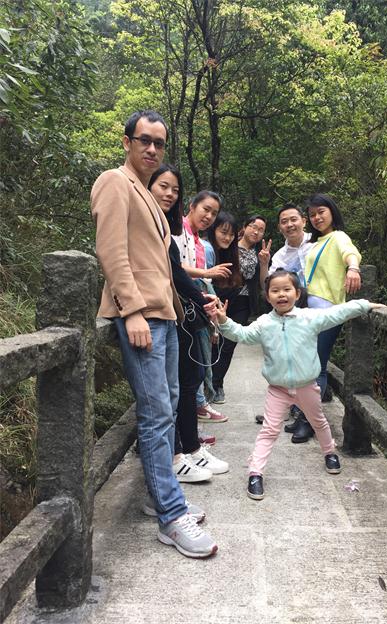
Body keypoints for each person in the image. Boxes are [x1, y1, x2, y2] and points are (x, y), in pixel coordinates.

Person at [91, 110, 217, 558]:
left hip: (164, 315)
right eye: (143, 140)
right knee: (157, 412)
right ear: (127, 142)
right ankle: (170, 515)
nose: (151, 148)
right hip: (142, 315)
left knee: (170, 405)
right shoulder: (115, 182)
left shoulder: (146, 194)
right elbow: (111, 250)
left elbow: (162, 264)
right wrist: (132, 310)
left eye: (159, 143)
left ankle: (159, 495)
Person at [214, 269, 387, 500]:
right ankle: (255, 472)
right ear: (267, 297)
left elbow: (337, 312)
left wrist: (364, 305)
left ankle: (329, 452)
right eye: (275, 290)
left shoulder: (309, 318)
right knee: (269, 430)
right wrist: (224, 321)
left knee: (318, 421)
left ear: (297, 293)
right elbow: (242, 335)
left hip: (307, 386)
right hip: (278, 389)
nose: (281, 294)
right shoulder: (264, 323)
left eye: (287, 289)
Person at [148, 164, 229, 480]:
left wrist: (201, 298)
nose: (169, 194)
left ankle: (190, 448)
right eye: (163, 186)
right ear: (192, 206)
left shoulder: (176, 231)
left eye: (175, 190)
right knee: (175, 386)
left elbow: (177, 273)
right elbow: (174, 271)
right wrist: (201, 292)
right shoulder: (166, 228)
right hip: (163, 312)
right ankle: (179, 453)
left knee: (187, 381)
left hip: (181, 312)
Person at [172, 191, 231, 423]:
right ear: (192, 206)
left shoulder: (198, 240)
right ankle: (196, 409)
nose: (208, 216)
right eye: (206, 209)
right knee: (191, 365)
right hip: (179, 306)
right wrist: (207, 273)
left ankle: (196, 411)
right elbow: (174, 267)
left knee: (195, 363)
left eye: (214, 213)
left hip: (193, 304)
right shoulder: (177, 230)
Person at [263, 203, 315, 441]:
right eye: (284, 221)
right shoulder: (280, 256)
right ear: (279, 227)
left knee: (315, 363)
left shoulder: (318, 243)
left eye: (293, 219)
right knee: (296, 361)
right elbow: (270, 285)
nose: (290, 224)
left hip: (319, 310)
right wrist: (264, 264)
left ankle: (308, 421)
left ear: (303, 220)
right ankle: (299, 413)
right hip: (294, 315)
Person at [304, 193, 362, 400]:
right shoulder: (317, 242)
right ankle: (301, 408)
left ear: (332, 212)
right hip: (311, 311)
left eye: (321, 212)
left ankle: (308, 415)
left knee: (317, 365)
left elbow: (350, 252)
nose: (316, 218)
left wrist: (353, 268)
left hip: (328, 309)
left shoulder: (338, 236)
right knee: (308, 363)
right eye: (312, 215)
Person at [210, 214, 271, 404]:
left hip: (242, 304)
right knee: (213, 342)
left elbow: (264, 283)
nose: (256, 232)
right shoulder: (228, 246)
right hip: (221, 298)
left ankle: (217, 385)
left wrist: (264, 263)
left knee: (229, 344)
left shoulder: (260, 254)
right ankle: (206, 383)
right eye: (253, 226)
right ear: (244, 227)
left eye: (261, 230)